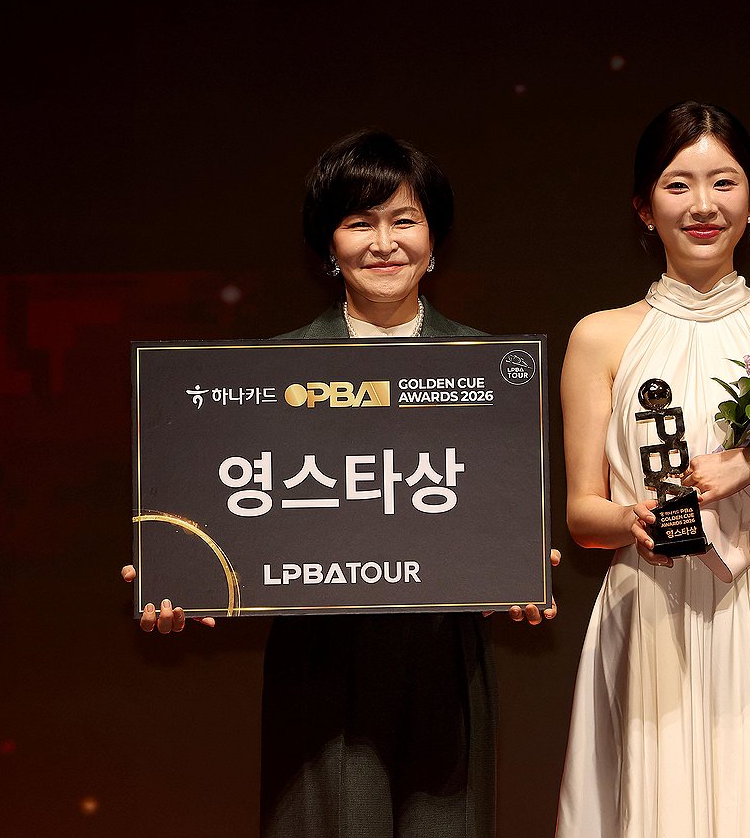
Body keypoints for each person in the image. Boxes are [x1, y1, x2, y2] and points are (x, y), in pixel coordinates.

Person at [122, 129, 557, 838]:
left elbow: (500, 516)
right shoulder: (267, 376)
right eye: (359, 223)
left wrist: (522, 568)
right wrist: (175, 572)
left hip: (443, 663)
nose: (384, 244)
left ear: (434, 239)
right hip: (318, 665)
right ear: (328, 245)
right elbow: (224, 510)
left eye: (404, 220)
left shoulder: (489, 369)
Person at [556, 102, 750, 837]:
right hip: (654, 603)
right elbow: (582, 516)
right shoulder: (601, 337)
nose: (703, 205)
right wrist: (634, 518)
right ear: (644, 208)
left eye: (724, 182)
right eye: (678, 184)